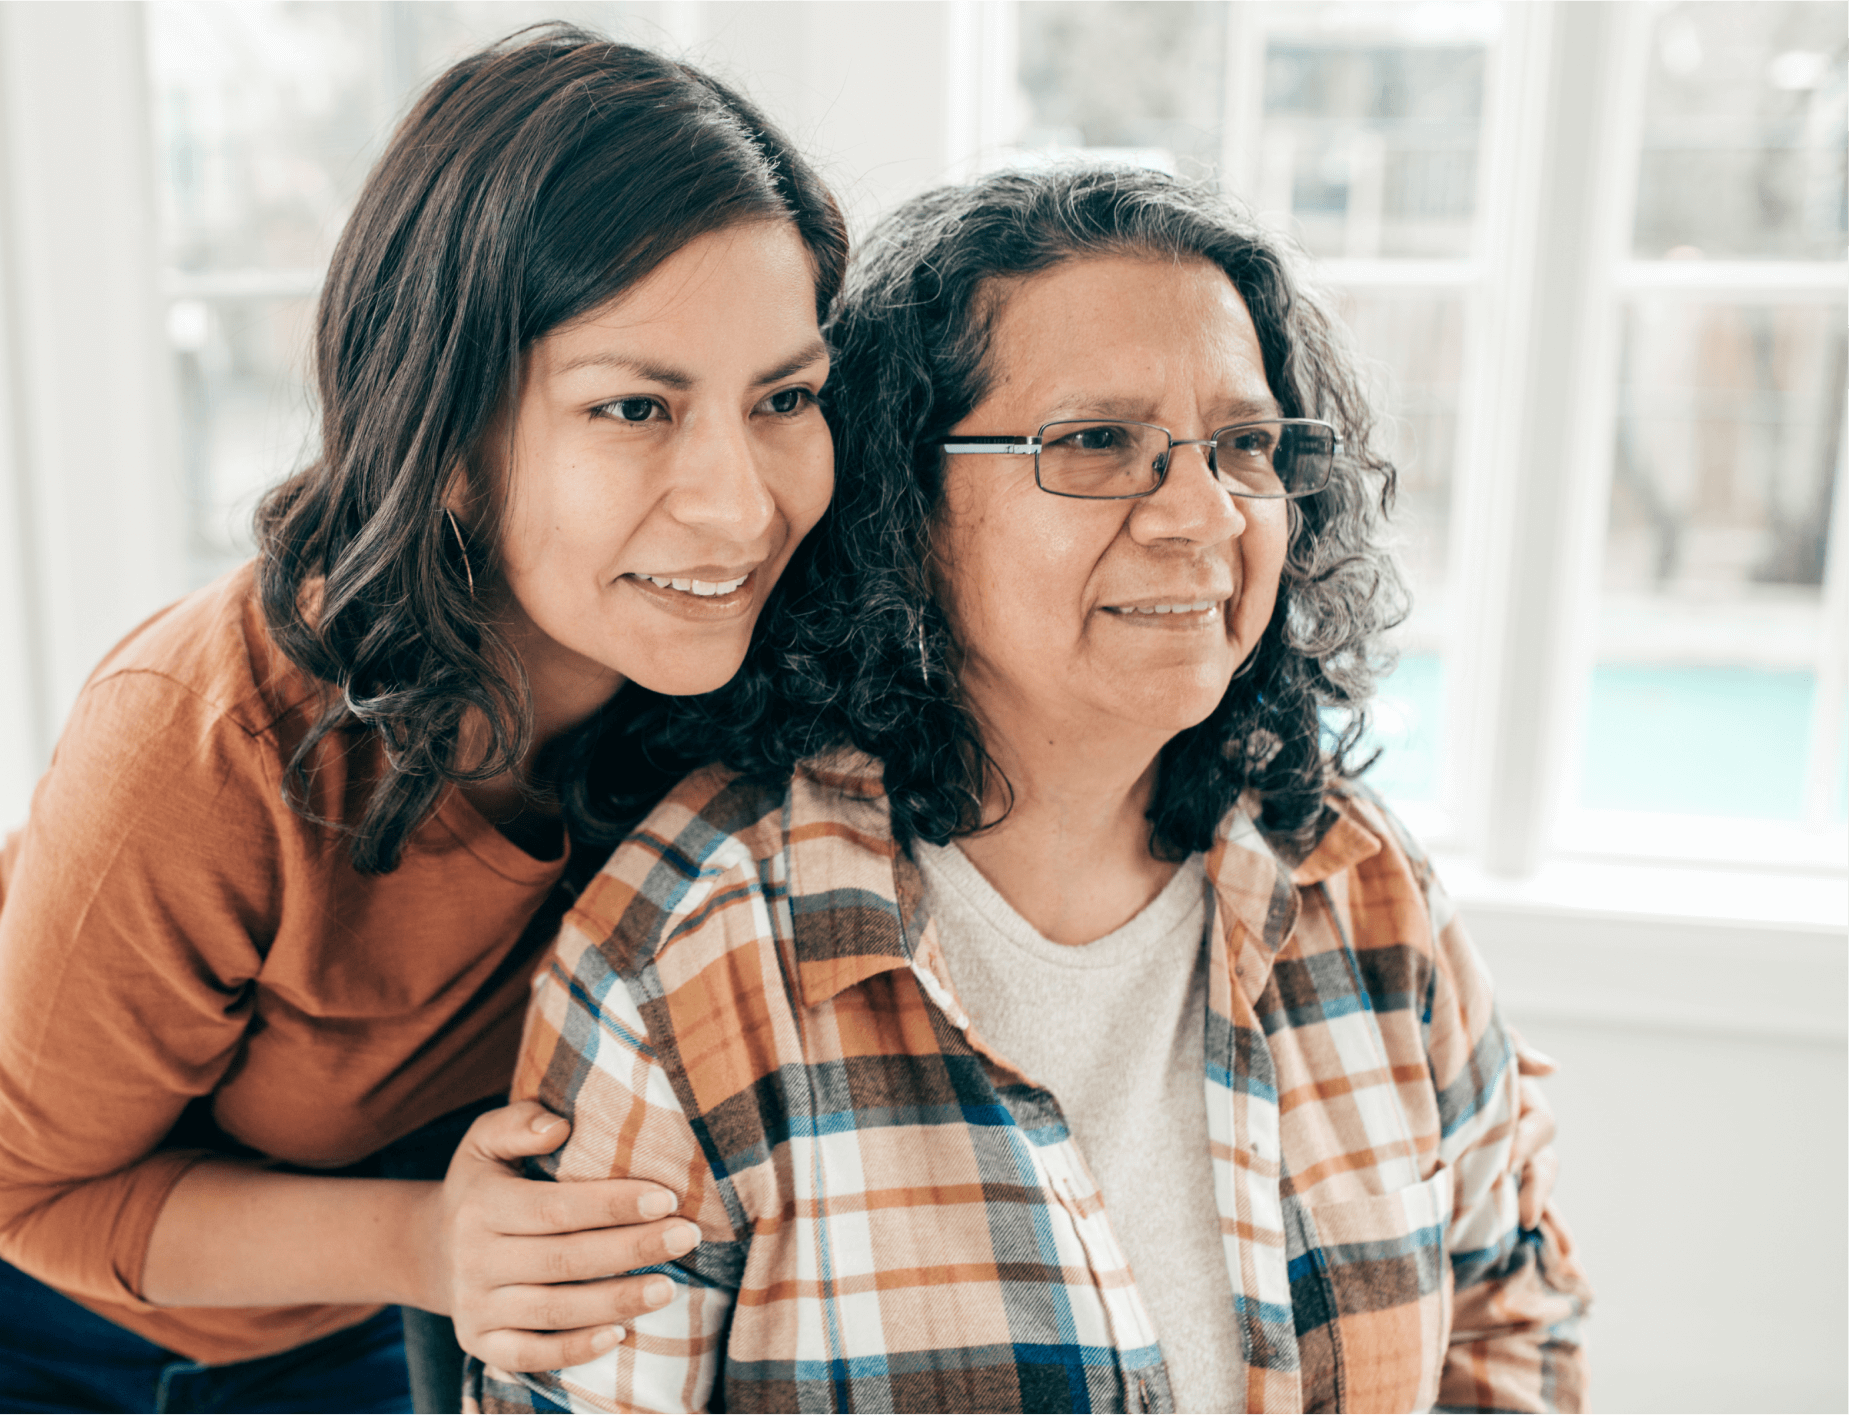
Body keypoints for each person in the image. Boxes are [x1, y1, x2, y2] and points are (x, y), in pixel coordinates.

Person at [0, 26, 847, 1415]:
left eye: (784, 397)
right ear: (447, 436)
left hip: (329, 1274)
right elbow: (33, 1186)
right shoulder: (201, 738)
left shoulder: (744, 685)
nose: (739, 500)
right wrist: (425, 1243)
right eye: (634, 404)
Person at [480, 165, 1590, 1415]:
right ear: (903, 501)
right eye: (1094, 443)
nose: (1201, 514)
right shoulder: (684, 961)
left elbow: (1507, 1313)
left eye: (1240, 444)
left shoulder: (1361, 880)